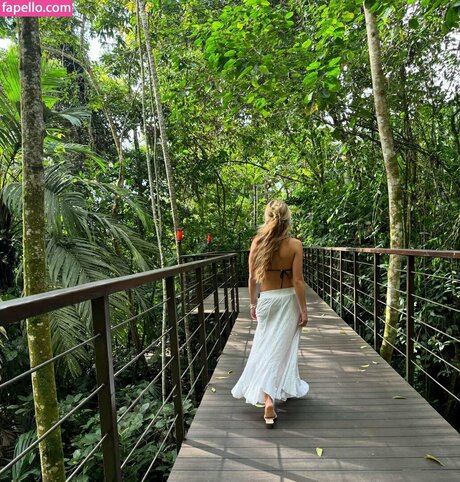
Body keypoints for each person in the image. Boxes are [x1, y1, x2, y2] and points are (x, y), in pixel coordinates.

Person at [231, 200, 309, 426]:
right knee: (280, 349)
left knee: (265, 345)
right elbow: (298, 280)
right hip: (288, 301)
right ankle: (269, 397)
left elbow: (251, 278)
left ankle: (271, 393)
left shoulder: (257, 242)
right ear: (288, 219)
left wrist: (253, 303)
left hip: (267, 300)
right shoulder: (295, 245)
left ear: (267, 218)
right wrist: (303, 309)